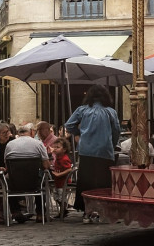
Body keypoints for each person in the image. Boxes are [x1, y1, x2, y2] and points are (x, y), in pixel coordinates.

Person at [65, 85, 119, 223]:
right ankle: (103, 211)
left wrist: (80, 133)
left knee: (86, 181)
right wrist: (111, 144)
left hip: (86, 150)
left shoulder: (82, 110)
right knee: (104, 182)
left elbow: (69, 125)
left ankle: (86, 212)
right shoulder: (110, 112)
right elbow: (116, 131)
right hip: (105, 150)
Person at [5, 123, 51, 222]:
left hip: (15, 183)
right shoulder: (38, 143)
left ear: (18, 133)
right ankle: (40, 213)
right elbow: (46, 165)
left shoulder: (10, 144)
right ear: (31, 132)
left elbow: (6, 165)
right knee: (42, 178)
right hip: (33, 182)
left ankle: (15, 211)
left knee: (7, 180)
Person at [50, 139, 74, 219]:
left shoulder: (64, 158)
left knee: (61, 196)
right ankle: (63, 209)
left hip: (63, 182)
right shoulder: (57, 157)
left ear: (64, 149)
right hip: (58, 182)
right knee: (56, 196)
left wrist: (59, 174)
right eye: (54, 147)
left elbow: (69, 169)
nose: (55, 149)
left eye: (58, 147)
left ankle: (63, 210)